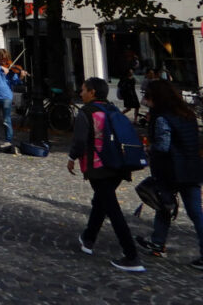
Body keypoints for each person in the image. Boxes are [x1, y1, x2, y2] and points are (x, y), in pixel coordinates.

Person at [67, 77, 145, 272]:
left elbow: (79, 141)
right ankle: (88, 239)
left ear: (92, 92)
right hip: (118, 165)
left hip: (99, 165)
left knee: (111, 208)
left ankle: (131, 255)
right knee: (101, 202)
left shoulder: (86, 113)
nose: (81, 93)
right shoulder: (112, 110)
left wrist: (72, 157)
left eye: (83, 89)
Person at [134, 79, 203, 269]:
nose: (147, 101)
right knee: (191, 211)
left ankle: (158, 243)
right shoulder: (186, 114)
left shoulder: (163, 117)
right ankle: (157, 242)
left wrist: (149, 148)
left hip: (172, 170)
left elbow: (163, 146)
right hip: (192, 168)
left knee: (165, 204)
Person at [0, 49, 25, 148]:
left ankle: (8, 140)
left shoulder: (11, 67)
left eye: (5, 60)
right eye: (1, 60)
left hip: (6, 96)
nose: (4, 62)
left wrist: (20, 77)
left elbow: (15, 82)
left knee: (6, 119)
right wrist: (1, 68)